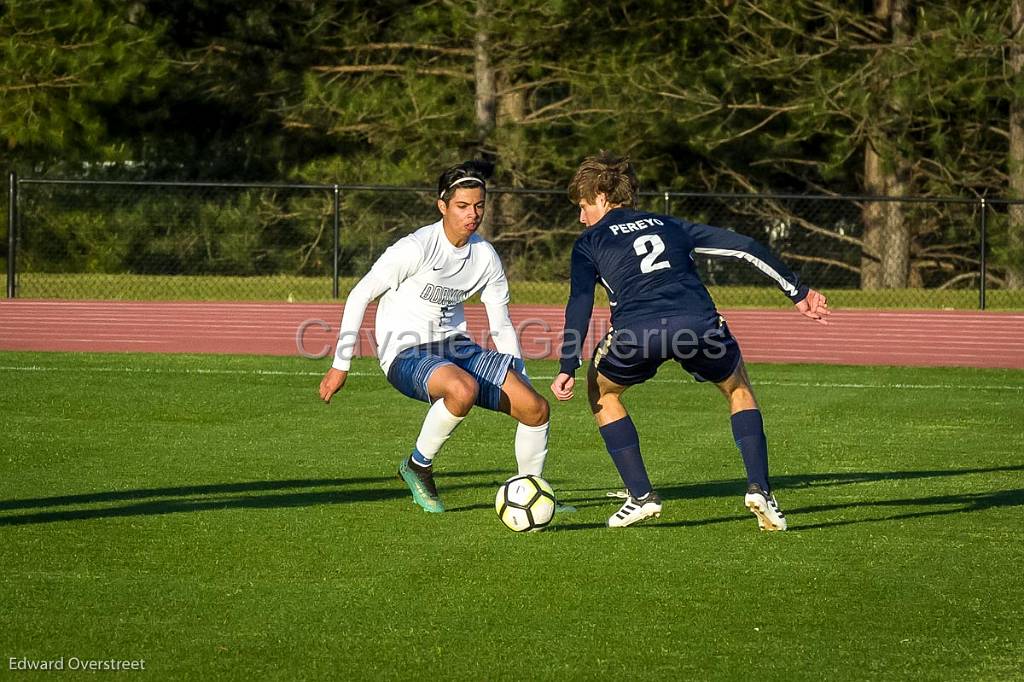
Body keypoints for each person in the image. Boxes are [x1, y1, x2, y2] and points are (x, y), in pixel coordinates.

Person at [550, 152, 830, 530]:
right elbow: (745, 246)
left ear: (601, 196)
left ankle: (641, 495)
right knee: (737, 388)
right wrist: (798, 292)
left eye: (583, 207)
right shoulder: (671, 224)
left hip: (637, 334)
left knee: (602, 391)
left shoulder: (589, 242)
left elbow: (580, 302)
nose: (581, 217)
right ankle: (761, 489)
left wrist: (569, 363)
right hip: (698, 325)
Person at [319, 160, 556, 514]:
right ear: (442, 206)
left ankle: (531, 492)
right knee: (462, 389)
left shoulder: (485, 257)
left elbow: (501, 325)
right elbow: (359, 294)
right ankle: (417, 466)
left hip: (456, 348)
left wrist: (518, 373)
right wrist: (341, 365)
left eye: (479, 206)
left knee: (536, 409)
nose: (472, 214)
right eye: (462, 206)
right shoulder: (415, 248)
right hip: (405, 350)